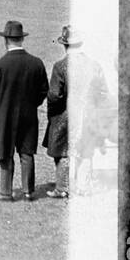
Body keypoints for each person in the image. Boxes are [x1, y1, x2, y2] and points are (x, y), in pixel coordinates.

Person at [0, 19, 50, 201]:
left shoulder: (0, 64)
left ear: (6, 40)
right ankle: (28, 191)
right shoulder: (36, 63)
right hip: (28, 115)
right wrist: (32, 104)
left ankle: (6, 191)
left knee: (5, 152)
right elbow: (44, 90)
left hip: (4, 115)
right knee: (27, 152)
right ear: (22, 39)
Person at [42, 26, 111, 198]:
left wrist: (52, 113)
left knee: (63, 153)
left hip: (65, 116)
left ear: (64, 45)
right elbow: (103, 94)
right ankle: (83, 187)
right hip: (88, 116)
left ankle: (62, 188)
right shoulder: (94, 65)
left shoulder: (60, 66)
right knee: (86, 151)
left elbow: (54, 95)